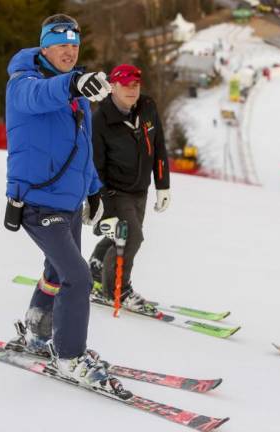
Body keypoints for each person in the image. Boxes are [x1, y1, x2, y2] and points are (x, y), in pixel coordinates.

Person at [4, 13, 128, 395]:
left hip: (70, 200)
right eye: (61, 44)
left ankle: (38, 332)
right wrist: (73, 83)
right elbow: (40, 96)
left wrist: (94, 192)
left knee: (57, 273)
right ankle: (70, 356)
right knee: (76, 276)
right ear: (44, 46)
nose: (69, 51)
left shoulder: (77, 96)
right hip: (39, 203)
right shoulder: (24, 82)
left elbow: (83, 149)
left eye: (74, 45)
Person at [88, 64, 170, 315]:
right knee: (131, 237)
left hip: (140, 189)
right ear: (112, 86)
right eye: (125, 85)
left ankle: (95, 270)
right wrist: (101, 205)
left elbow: (159, 148)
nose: (132, 90)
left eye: (135, 85)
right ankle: (117, 290)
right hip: (114, 191)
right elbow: (95, 166)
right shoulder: (101, 120)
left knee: (120, 235)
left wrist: (162, 184)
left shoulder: (147, 107)